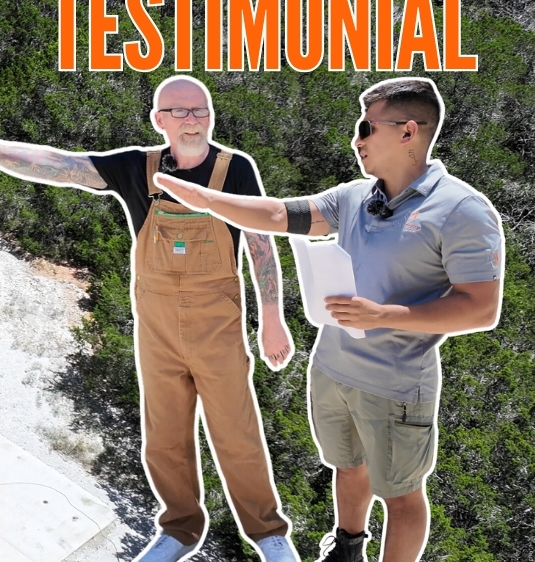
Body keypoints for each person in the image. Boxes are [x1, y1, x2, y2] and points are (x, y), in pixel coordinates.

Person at [0, 75, 299, 562]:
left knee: (237, 433)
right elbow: (60, 165)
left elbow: (260, 241)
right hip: (157, 329)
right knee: (164, 437)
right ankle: (180, 530)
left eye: (201, 110)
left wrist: (272, 318)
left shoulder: (234, 169)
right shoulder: (138, 167)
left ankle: (268, 534)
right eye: (180, 111)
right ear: (160, 120)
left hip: (217, 327)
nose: (193, 120)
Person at [154, 77, 504, 562]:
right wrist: (211, 201)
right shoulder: (355, 196)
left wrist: (383, 315)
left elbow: (481, 308)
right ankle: (347, 547)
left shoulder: (463, 210)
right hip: (333, 368)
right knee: (348, 465)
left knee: (401, 495)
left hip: (396, 383)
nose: (356, 140)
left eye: (366, 128)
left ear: (407, 132)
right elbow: (279, 215)